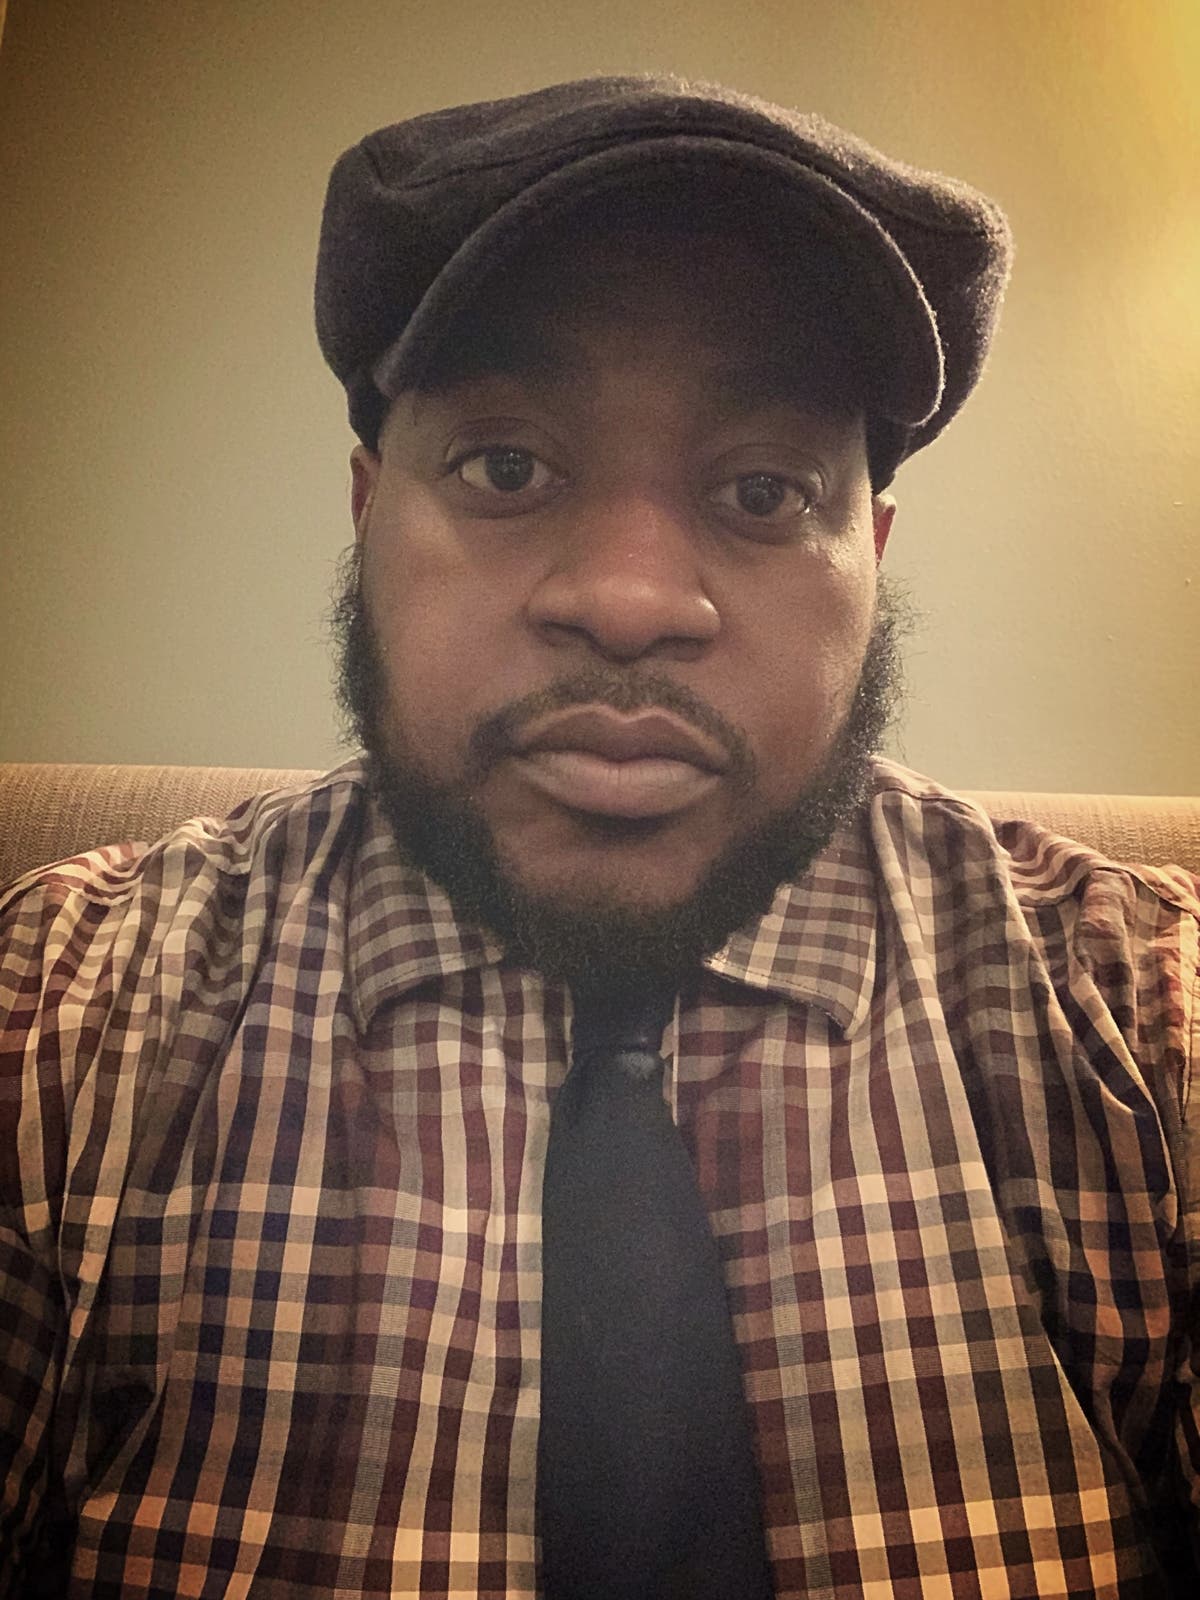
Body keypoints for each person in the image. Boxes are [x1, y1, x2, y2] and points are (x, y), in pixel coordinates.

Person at [1, 73, 1197, 1599]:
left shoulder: (1140, 1019)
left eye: (762, 489)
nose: (631, 601)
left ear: (873, 559)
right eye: (507, 466)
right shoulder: (59, 1021)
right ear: (368, 512)